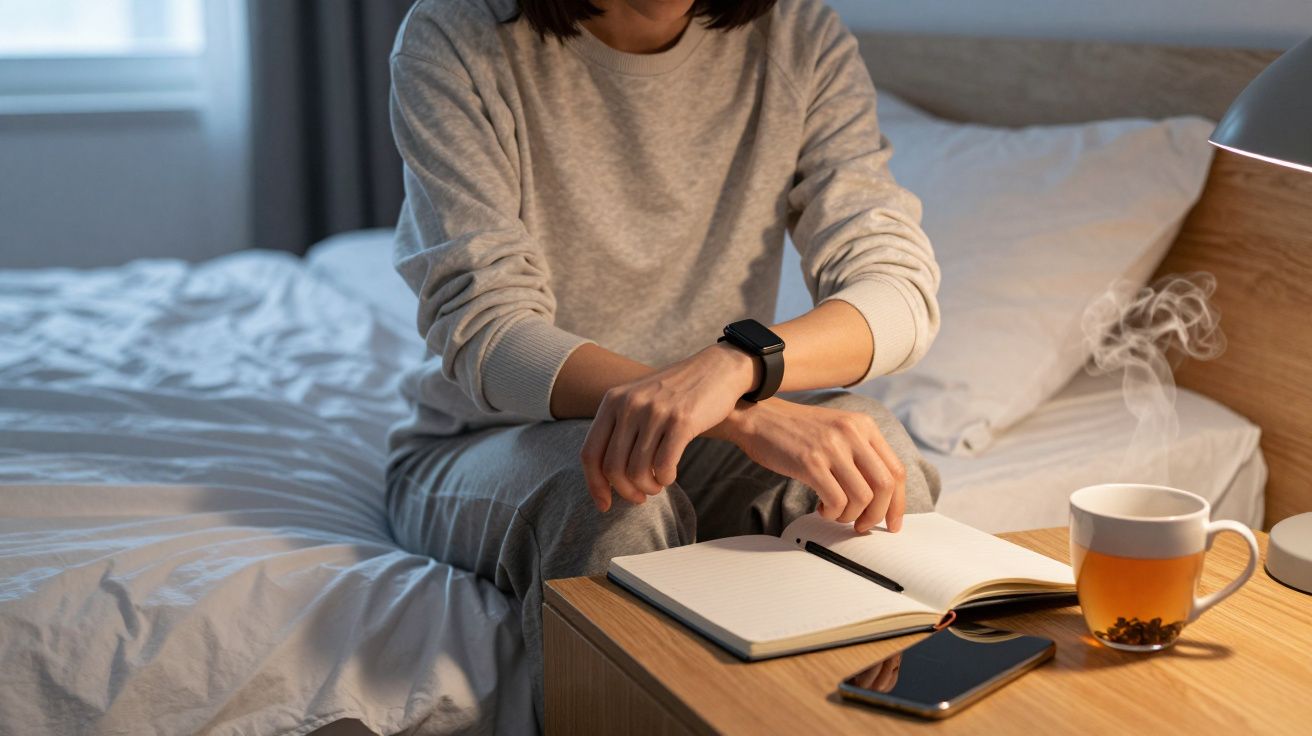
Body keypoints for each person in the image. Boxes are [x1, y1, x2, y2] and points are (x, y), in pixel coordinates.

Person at [384, 0, 942, 720]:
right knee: (615, 493)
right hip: (495, 437)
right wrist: (736, 416)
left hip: (710, 427)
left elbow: (896, 288)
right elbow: (488, 329)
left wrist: (737, 368)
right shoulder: (458, 32)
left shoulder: (796, 36)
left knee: (869, 449)